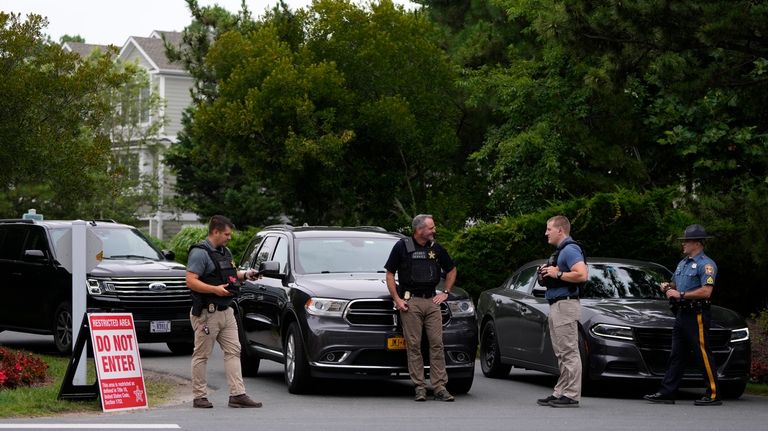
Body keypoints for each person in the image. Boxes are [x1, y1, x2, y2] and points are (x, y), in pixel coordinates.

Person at [186, 215, 262, 408]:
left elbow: (228, 275)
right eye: (227, 234)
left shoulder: (224, 251)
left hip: (226, 311)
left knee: (234, 351)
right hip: (207, 313)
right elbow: (191, 281)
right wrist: (215, 290)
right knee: (202, 354)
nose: (230, 237)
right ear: (216, 231)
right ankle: (199, 396)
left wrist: (245, 275)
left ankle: (238, 394)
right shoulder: (200, 253)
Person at [644, 224, 721, 406]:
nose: (683, 244)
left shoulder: (706, 265)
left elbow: (706, 291)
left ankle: (713, 393)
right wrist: (669, 287)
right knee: (677, 354)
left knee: (703, 353)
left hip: (697, 314)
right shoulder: (683, 263)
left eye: (686, 241)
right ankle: (667, 392)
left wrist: (682, 295)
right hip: (681, 314)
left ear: (698, 243)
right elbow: (678, 286)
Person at [385, 214, 457, 402]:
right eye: (431, 228)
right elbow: (390, 274)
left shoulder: (436, 248)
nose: (434, 231)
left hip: (432, 301)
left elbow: (451, 269)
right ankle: (420, 387)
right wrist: (397, 299)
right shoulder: (402, 247)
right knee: (414, 346)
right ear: (419, 230)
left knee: (436, 343)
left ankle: (440, 386)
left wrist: (446, 292)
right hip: (411, 302)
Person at [536, 215, 588, 408]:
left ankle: (572, 395)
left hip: (565, 305)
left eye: (549, 229)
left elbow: (582, 274)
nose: (546, 233)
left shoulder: (570, 249)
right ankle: (561, 392)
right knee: (561, 352)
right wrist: (549, 272)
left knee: (569, 351)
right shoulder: (561, 252)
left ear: (560, 230)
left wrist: (556, 273)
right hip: (557, 304)